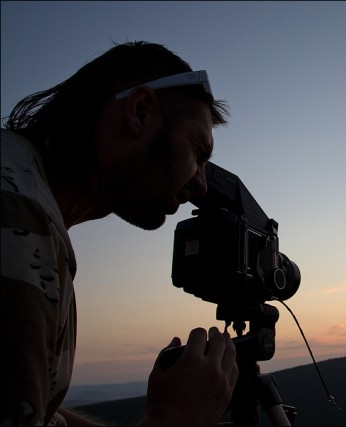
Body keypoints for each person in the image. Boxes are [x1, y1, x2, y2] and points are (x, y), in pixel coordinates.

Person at [1, 41, 239, 426]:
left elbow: (36, 413)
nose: (201, 186)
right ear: (141, 111)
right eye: (197, 151)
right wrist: (175, 417)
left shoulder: (29, 196)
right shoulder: (17, 214)